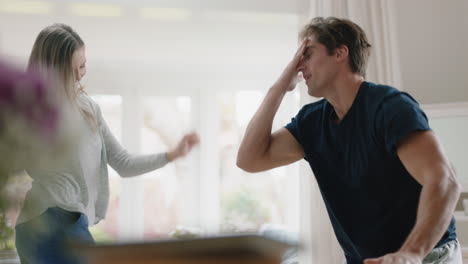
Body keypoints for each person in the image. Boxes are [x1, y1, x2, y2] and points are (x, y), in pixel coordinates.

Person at [236, 17, 461, 264]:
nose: (299, 66)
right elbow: (249, 159)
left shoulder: (388, 107)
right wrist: (279, 87)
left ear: (340, 53)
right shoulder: (311, 123)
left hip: (426, 255)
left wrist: (410, 254)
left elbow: (445, 182)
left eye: (307, 54)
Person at [15, 23, 200, 264]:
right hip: (48, 220)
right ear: (55, 69)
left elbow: (123, 163)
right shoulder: (34, 109)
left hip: (64, 220)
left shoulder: (88, 109)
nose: (82, 74)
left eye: (84, 65)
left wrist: (171, 154)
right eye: (75, 68)